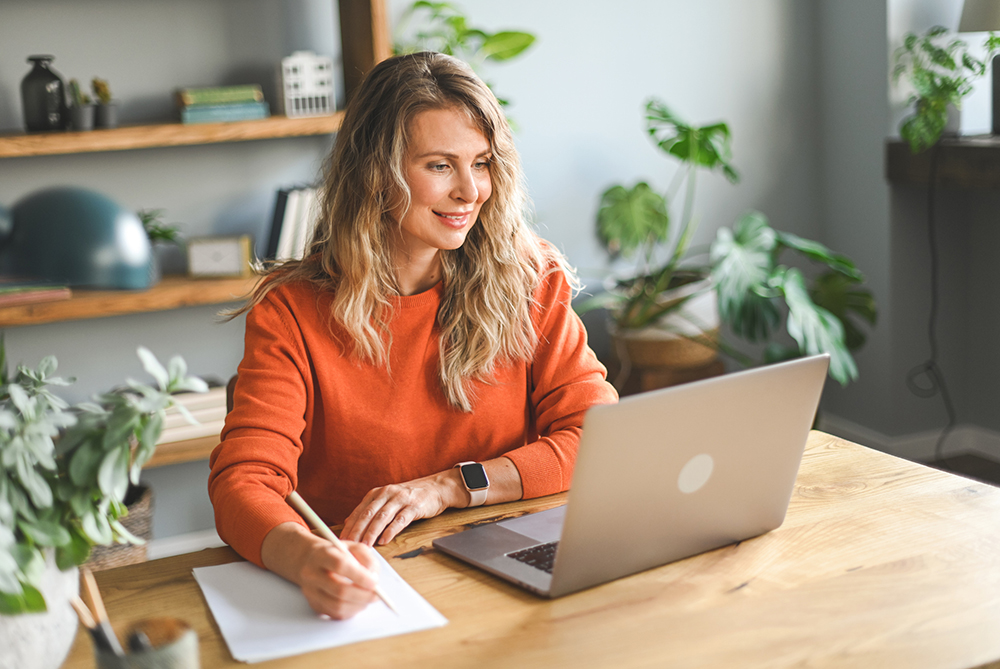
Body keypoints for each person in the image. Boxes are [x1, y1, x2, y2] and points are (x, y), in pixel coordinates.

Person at [208, 51, 617, 620]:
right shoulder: (291, 310)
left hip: (512, 568)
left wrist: (451, 486)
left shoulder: (531, 278)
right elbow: (245, 481)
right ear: (376, 174)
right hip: (373, 584)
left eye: (482, 162)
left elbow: (596, 434)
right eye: (440, 166)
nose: (471, 191)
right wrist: (308, 561)